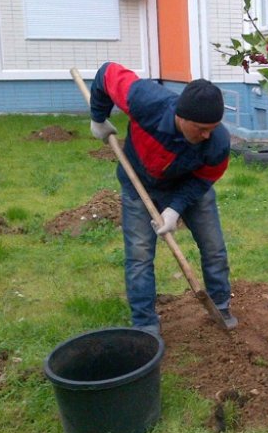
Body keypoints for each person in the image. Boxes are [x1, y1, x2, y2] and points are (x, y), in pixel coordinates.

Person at [88, 61, 237, 334]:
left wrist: (175, 208)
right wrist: (98, 118)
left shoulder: (217, 142)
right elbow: (107, 73)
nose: (207, 135)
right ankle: (145, 324)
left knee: (214, 248)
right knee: (140, 257)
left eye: (212, 128)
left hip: (189, 187)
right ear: (181, 116)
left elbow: (204, 179)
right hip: (139, 185)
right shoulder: (146, 101)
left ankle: (221, 305)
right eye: (201, 128)